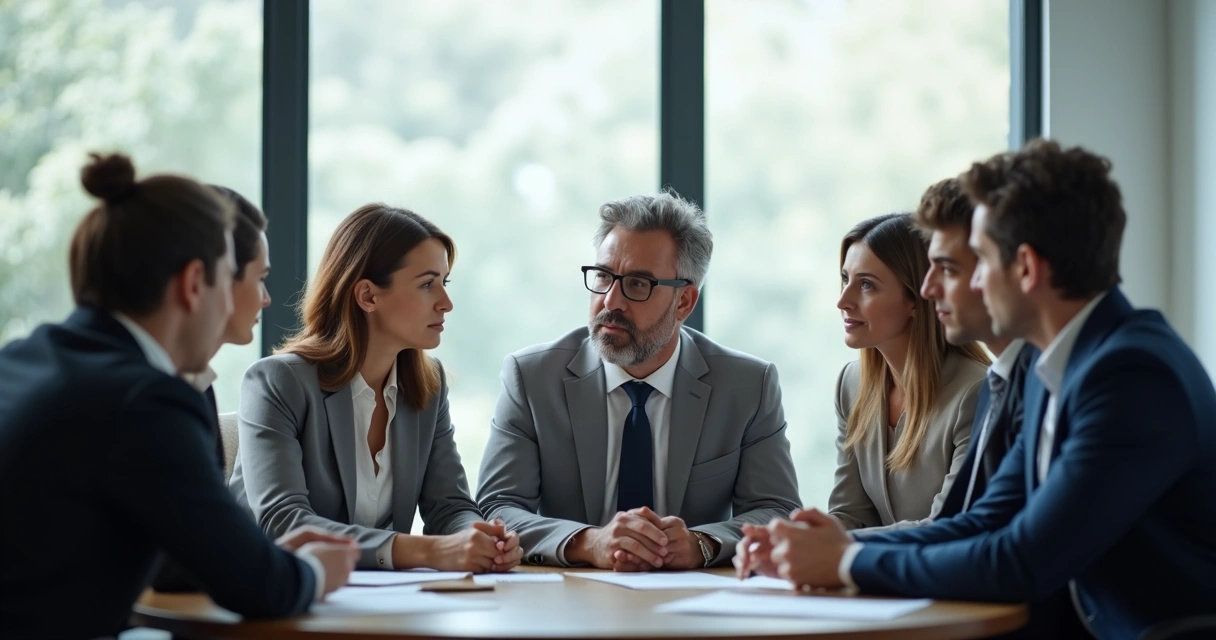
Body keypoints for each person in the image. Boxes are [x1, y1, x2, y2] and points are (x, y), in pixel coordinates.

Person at [753, 140, 1216, 640]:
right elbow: (983, 522)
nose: (933, 289)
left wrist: (849, 563)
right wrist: (839, 551)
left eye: (973, 262)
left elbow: (1022, 559)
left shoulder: (1130, 374)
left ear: (1026, 268)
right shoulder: (1052, 365)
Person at [0, 153, 356, 639]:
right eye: (227, 280)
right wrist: (315, 570)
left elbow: (174, 549)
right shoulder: (144, 400)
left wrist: (257, 555)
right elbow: (259, 590)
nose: (235, 302)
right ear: (193, 284)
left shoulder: (22, 358)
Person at [477, 192, 802, 570]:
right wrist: (588, 542)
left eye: (637, 284)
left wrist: (705, 542)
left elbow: (777, 509)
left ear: (684, 303)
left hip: (694, 607)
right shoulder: (532, 379)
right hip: (571, 602)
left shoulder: (747, 386)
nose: (611, 301)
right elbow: (496, 508)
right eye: (603, 276)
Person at [229, 203, 523, 572]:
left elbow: (449, 507)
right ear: (368, 296)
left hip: (379, 604)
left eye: (444, 283)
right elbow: (283, 523)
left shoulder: (428, 388)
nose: (446, 303)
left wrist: (480, 537)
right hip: (273, 599)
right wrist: (429, 551)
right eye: (427, 284)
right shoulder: (278, 381)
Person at [827, 213, 988, 532]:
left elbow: (946, 526)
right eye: (846, 279)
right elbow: (850, 514)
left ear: (916, 298)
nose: (843, 301)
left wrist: (833, 546)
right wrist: (800, 534)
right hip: (873, 578)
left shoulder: (976, 392)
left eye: (867, 285)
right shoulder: (851, 383)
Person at [151, 185, 271, 592]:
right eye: (260, 278)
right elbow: (207, 560)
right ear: (197, 282)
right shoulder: (151, 396)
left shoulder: (192, 381)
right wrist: (305, 567)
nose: (267, 299)